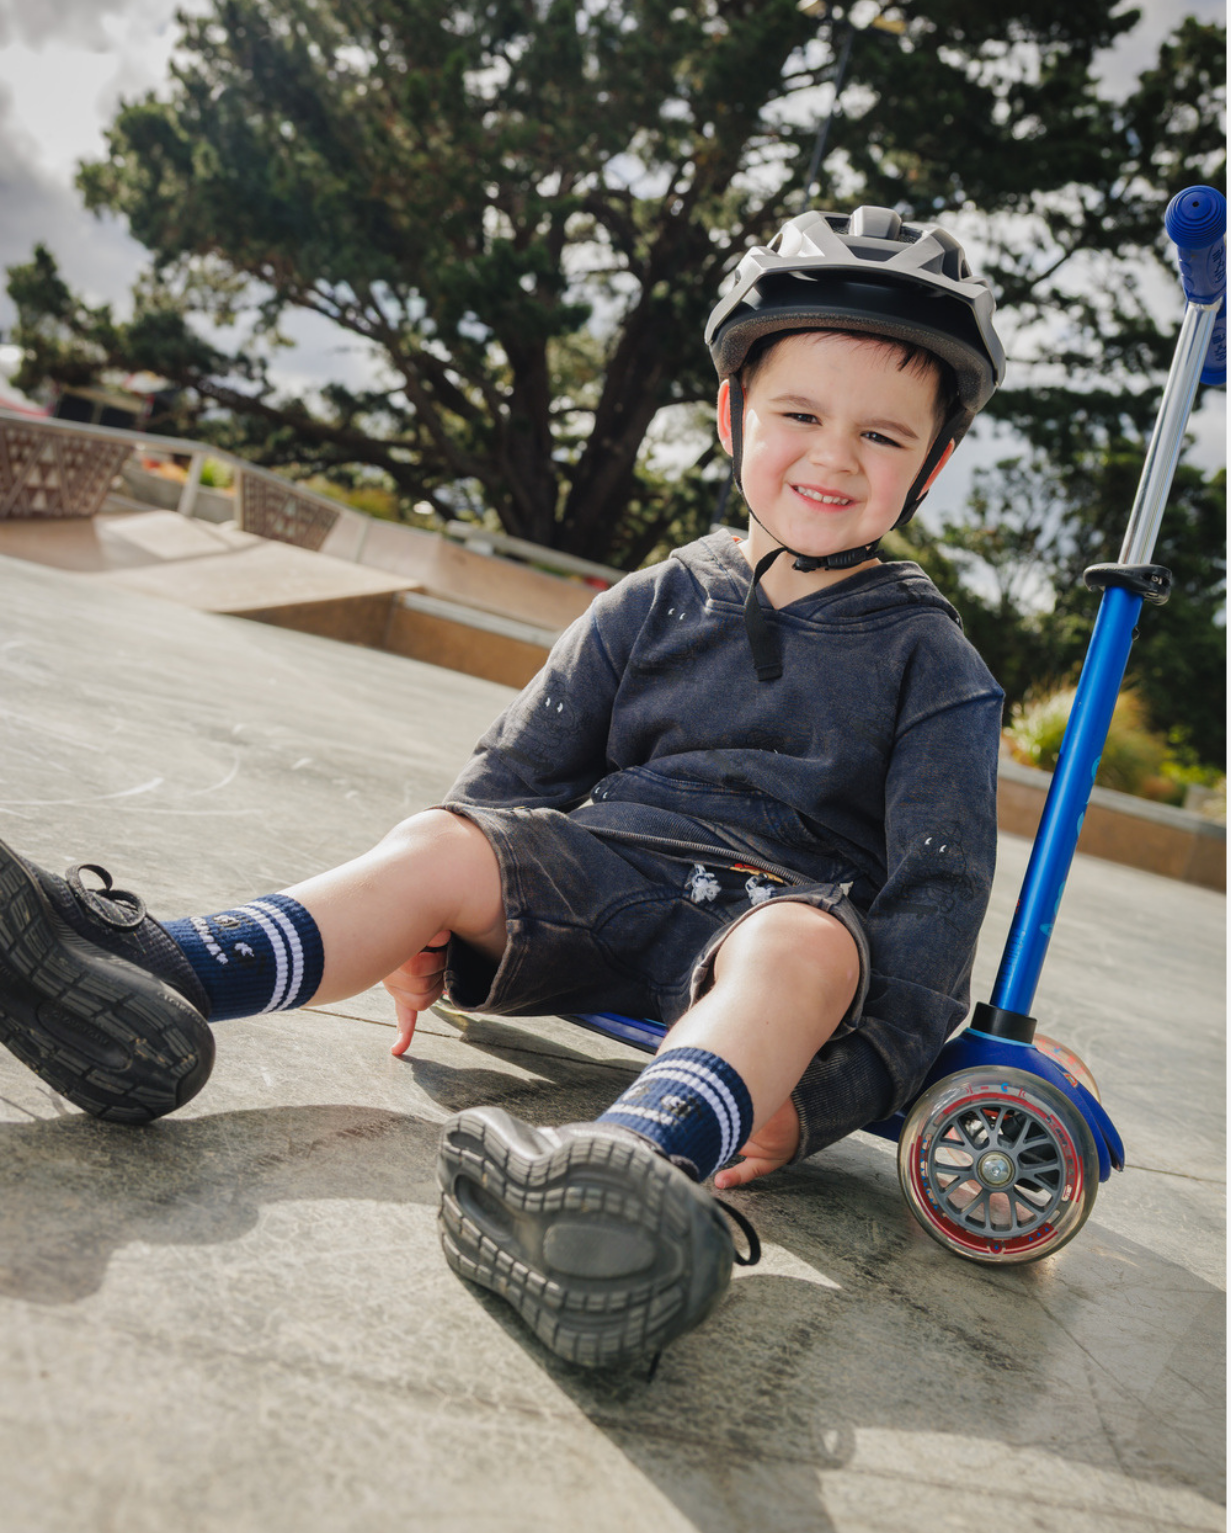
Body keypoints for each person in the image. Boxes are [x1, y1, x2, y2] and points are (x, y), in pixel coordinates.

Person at [0, 205, 1006, 1370]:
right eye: (800, 415)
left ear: (930, 465)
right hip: (602, 878)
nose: (833, 458)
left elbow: (932, 913)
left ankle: (621, 1180)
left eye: (881, 436)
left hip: (769, 922)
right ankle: (154, 977)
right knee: (438, 841)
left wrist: (829, 1097)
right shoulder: (652, 600)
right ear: (733, 414)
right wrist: (425, 921)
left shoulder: (936, 667)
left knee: (806, 946)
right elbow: (514, 776)